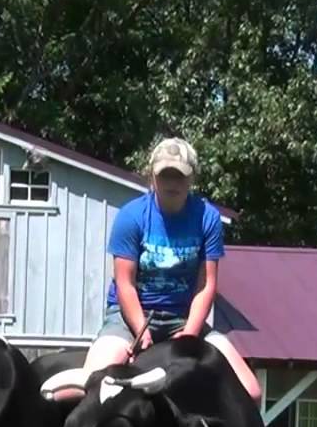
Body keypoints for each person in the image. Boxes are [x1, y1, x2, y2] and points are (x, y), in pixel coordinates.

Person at [71, 136, 262, 404]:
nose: (172, 183)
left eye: (180, 176)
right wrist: (140, 329)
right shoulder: (132, 216)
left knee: (251, 392)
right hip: (130, 317)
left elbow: (206, 285)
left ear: (192, 178)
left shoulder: (207, 218)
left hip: (183, 317)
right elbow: (125, 283)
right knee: (89, 387)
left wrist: (190, 335)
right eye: (165, 175)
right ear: (153, 176)